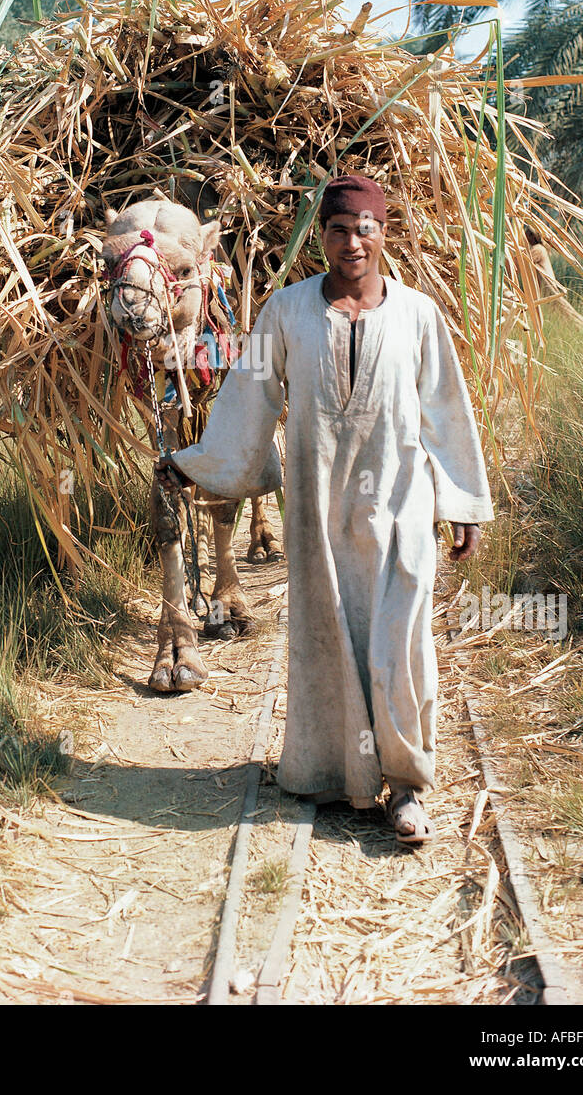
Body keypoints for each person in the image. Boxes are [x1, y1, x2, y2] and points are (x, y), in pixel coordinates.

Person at [156, 174, 493, 844]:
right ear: (321, 237)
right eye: (337, 230)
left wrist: (463, 504)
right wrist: (201, 463)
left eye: (364, 228)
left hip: (400, 511)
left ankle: (406, 787)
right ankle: (335, 774)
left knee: (401, 645)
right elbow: (249, 399)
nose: (351, 243)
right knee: (329, 638)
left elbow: (445, 412)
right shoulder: (286, 312)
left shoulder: (418, 315)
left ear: (383, 233)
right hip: (319, 513)